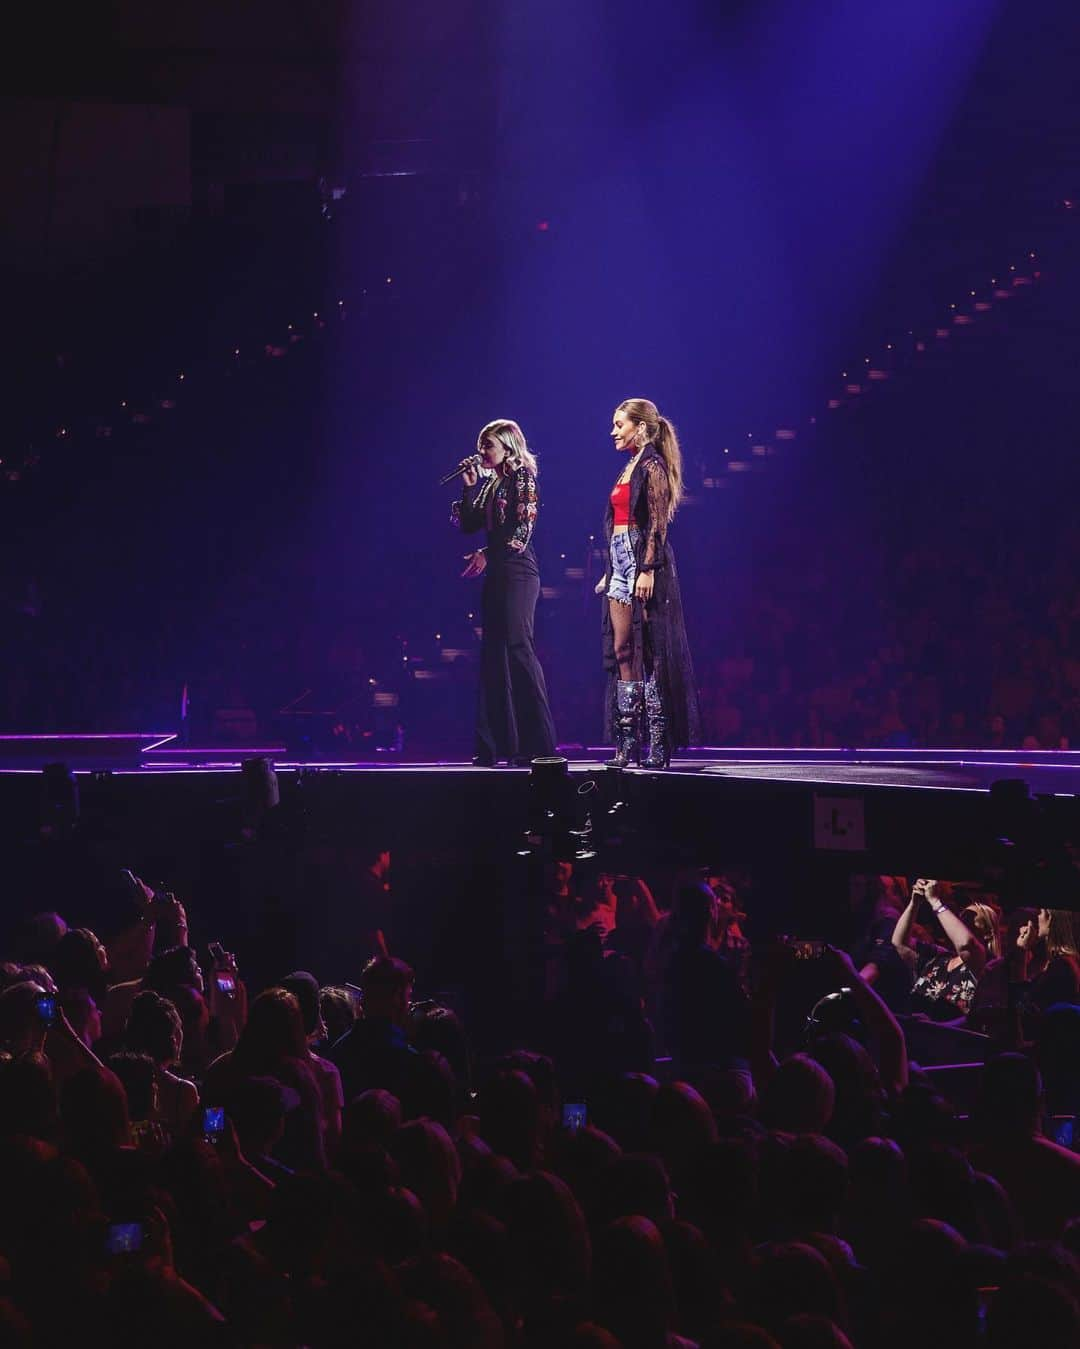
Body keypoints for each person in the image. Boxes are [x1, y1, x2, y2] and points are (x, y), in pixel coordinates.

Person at [595, 398, 698, 768]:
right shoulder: (628, 467)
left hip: (642, 556)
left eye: (619, 425)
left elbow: (656, 523)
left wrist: (648, 567)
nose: (613, 432)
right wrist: (611, 567)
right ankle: (626, 743)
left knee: (650, 649)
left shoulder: (652, 465)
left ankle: (657, 743)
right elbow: (616, 521)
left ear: (639, 426)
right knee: (622, 649)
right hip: (619, 558)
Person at [452, 419, 557, 767]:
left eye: (488, 446)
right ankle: (496, 745)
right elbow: (467, 525)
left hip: (518, 572)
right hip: (497, 572)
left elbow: (520, 534)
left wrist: (487, 555)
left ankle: (539, 743)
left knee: (518, 648)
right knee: (493, 654)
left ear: (508, 447)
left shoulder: (522, 479)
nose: (482, 452)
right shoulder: (488, 484)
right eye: (481, 445)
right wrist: (468, 488)